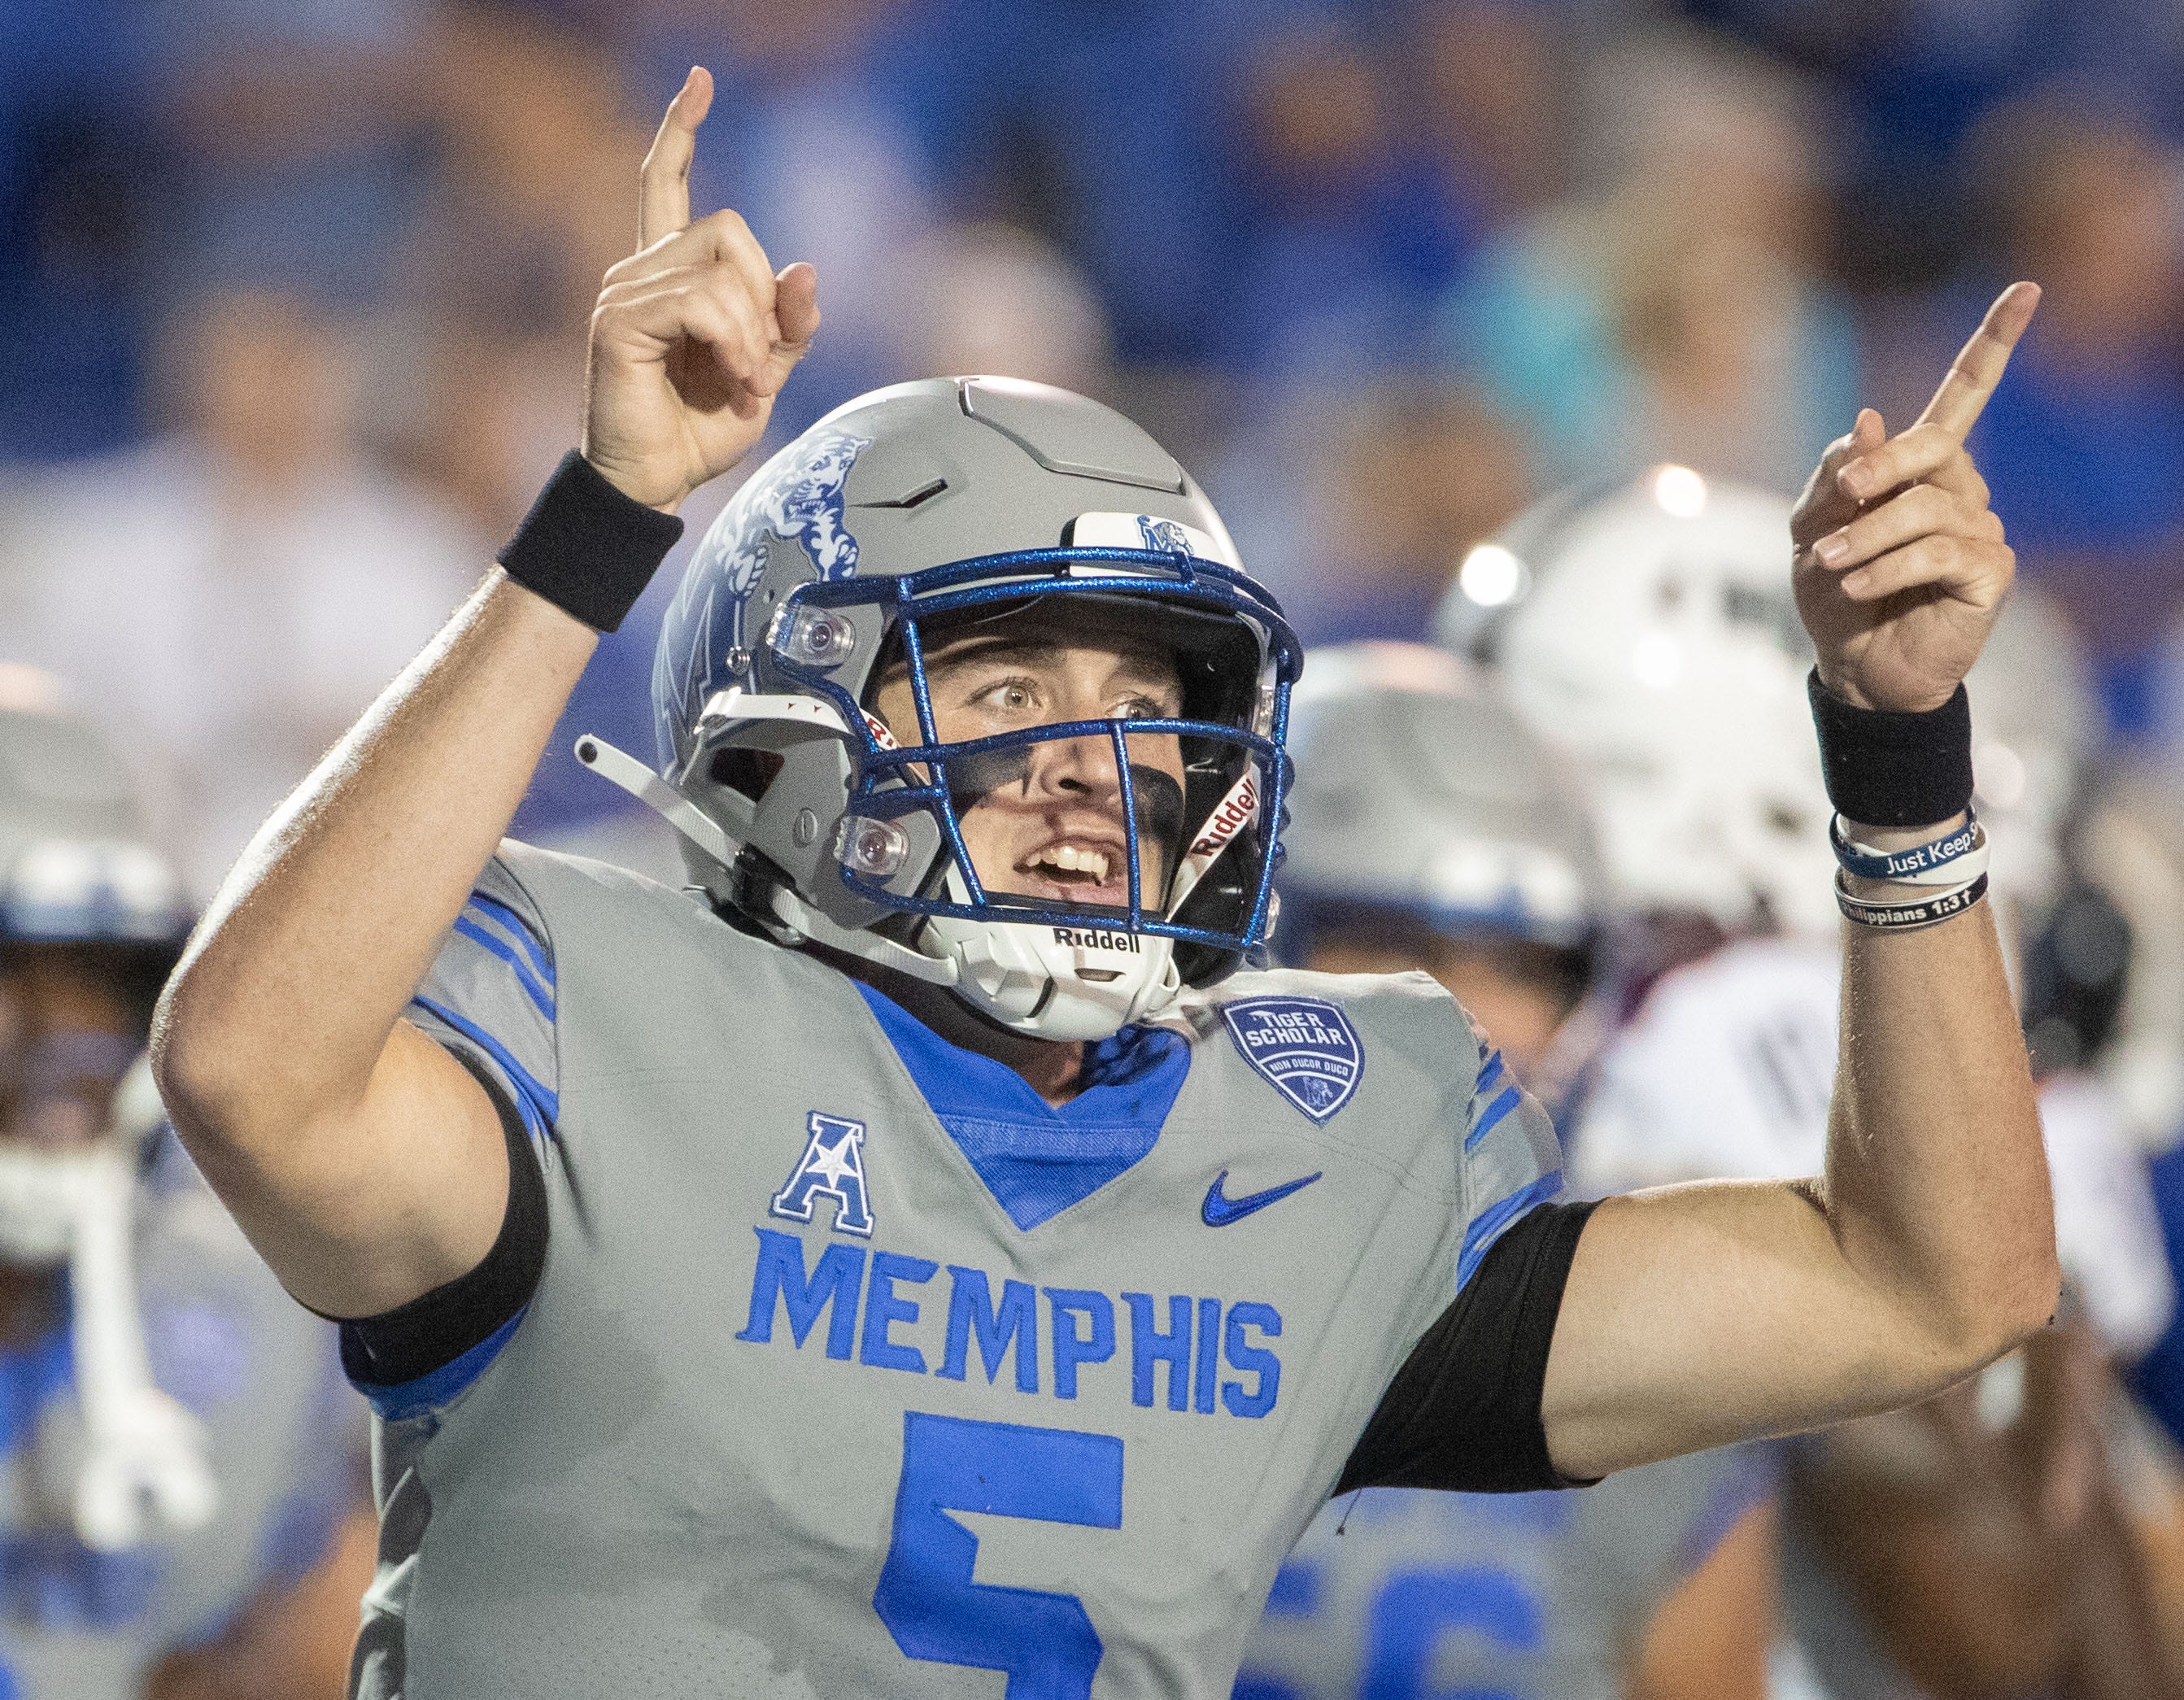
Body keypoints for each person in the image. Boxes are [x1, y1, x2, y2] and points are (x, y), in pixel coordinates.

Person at [152, 68, 2056, 1698]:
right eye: (1001, 684)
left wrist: (1893, 754)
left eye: (1150, 701)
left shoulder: (1319, 1140)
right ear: (776, 732)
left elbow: (1924, 1280)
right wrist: (604, 515)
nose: (1094, 757)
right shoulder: (606, 1009)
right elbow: (251, 1067)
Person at [1232, 641, 1772, 1700]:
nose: (1466, 1017)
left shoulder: (1650, 1321)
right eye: (1397, 943)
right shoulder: (1103, 1253)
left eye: (1520, 964)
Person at [0, 671, 369, 1698]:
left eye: (104, 979)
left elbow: (315, 1651)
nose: (66, 1035)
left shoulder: (244, 1300)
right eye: (10, 971)